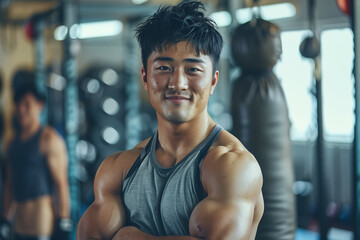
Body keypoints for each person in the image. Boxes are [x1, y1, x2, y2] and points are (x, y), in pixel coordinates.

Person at [77, 1, 264, 239]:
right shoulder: (119, 169)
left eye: (193, 70)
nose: (177, 83)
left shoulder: (233, 166)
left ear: (213, 81)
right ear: (145, 78)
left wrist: (132, 237)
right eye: (164, 67)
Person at [1, 79, 73, 240]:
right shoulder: (11, 144)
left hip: (42, 226)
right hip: (18, 226)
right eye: (18, 104)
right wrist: (5, 219)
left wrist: (64, 220)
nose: (21, 109)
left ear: (40, 105)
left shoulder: (49, 139)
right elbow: (9, 185)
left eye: (27, 104)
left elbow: (61, 184)